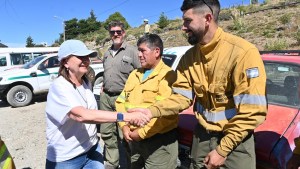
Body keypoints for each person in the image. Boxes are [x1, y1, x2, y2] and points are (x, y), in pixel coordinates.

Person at [128, 0, 267, 169]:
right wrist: (151, 111)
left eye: (188, 21)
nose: (183, 27)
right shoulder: (189, 58)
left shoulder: (243, 53)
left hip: (235, 140)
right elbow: (180, 97)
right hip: (202, 137)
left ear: (207, 18)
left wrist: (223, 150)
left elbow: (252, 111)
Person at [45, 39, 148, 169]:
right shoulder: (59, 86)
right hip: (67, 158)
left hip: (92, 150)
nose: (86, 60)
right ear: (65, 62)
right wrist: (125, 116)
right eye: (80, 56)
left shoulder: (86, 82)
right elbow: (81, 115)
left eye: (87, 56)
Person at [115, 34, 178, 169]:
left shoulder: (168, 75)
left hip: (158, 143)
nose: (138, 55)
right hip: (133, 139)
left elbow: (165, 113)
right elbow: (120, 102)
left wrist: (141, 133)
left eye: (143, 50)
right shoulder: (134, 74)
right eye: (138, 50)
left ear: (156, 52)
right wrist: (124, 126)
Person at [100, 21, 141, 169]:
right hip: (106, 98)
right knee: (107, 133)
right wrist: (104, 86)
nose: (115, 34)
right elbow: (107, 73)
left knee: (126, 134)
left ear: (124, 33)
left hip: (124, 99)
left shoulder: (133, 51)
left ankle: (132, 164)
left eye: (118, 31)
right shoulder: (106, 53)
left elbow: (142, 74)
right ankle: (112, 163)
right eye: (112, 32)